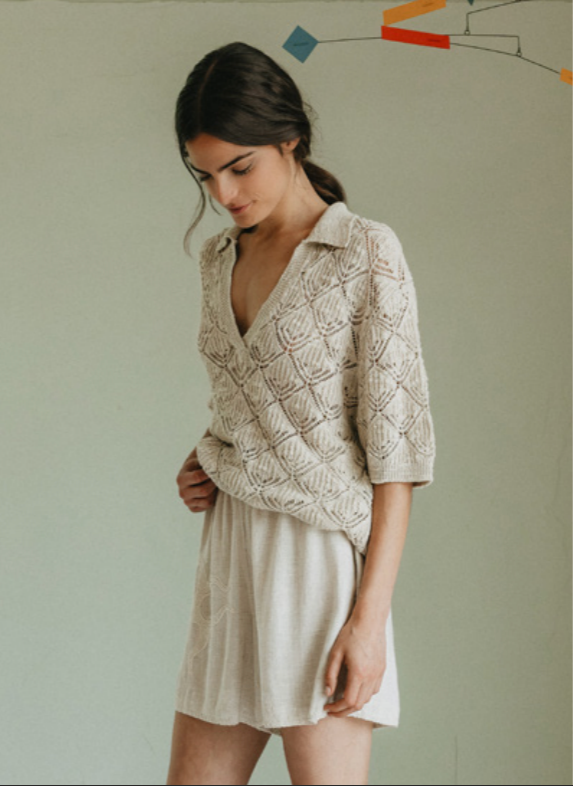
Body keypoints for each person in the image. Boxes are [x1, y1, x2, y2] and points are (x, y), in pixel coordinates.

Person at [167, 41, 436, 786]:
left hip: (320, 571)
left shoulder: (364, 254)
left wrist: (369, 622)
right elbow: (250, 407)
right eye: (206, 173)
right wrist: (210, 460)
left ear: (290, 140)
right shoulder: (218, 259)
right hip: (229, 563)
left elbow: (398, 456)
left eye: (240, 166)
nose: (223, 192)